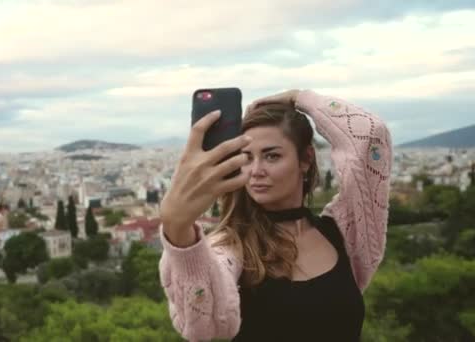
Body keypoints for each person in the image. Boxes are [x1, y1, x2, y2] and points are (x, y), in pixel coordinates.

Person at [158, 89, 392, 341]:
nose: (256, 170)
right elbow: (205, 327)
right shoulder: (229, 249)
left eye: (272, 156)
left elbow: (371, 135)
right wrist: (179, 232)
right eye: (246, 158)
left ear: (305, 159)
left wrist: (300, 98)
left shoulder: (344, 232)